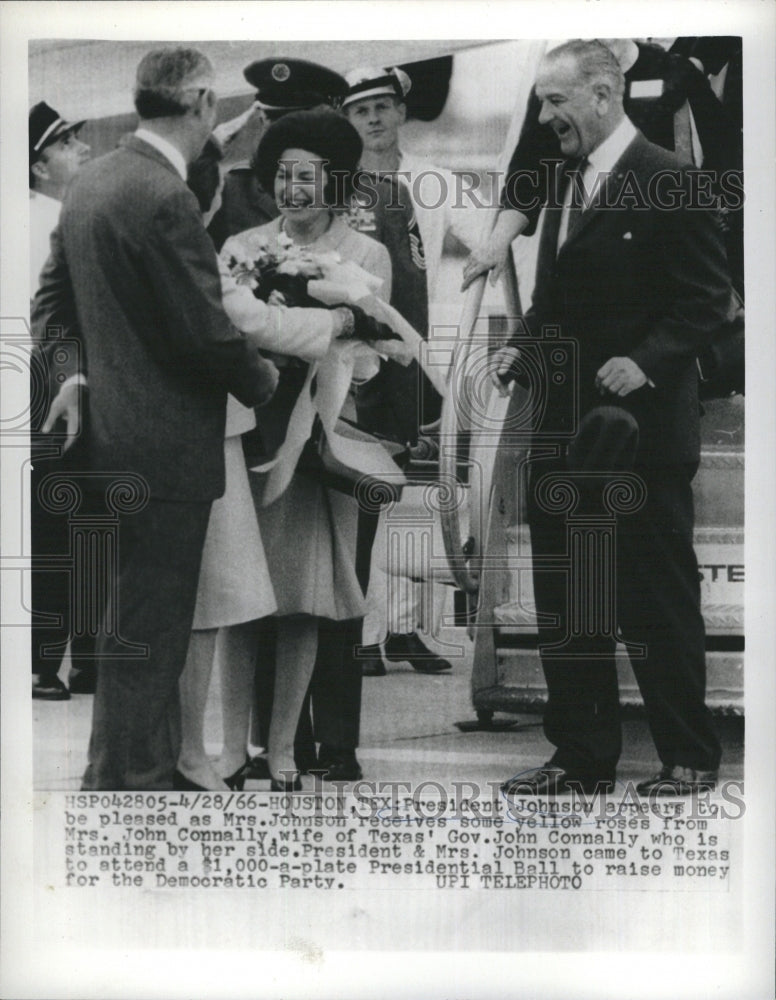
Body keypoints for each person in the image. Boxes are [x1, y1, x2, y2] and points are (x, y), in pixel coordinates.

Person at [31, 47, 278, 790]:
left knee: (125, 624)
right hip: (166, 449)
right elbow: (203, 332)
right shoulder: (163, 195)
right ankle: (134, 782)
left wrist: (74, 374)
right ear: (201, 102)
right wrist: (266, 378)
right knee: (155, 625)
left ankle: (118, 771)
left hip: (106, 441)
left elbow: (52, 303)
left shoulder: (95, 180)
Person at [493, 40, 731, 797]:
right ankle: (580, 758)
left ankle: (688, 758)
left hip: (641, 435)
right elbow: (551, 299)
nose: (544, 115)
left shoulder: (671, 179)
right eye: (540, 100)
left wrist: (648, 361)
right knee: (572, 598)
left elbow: (706, 301)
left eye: (556, 100)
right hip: (565, 431)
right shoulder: (562, 185)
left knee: (656, 599)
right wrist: (521, 350)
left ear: (603, 95)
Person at [220, 108, 393, 790]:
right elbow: (224, 337)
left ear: (337, 181)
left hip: (319, 443)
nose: (293, 191)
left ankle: (286, 750)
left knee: (305, 601)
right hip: (249, 437)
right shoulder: (240, 245)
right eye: (284, 176)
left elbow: (375, 352)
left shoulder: (365, 254)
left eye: (308, 177)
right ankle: (233, 748)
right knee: (238, 600)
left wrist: (318, 349)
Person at [342, 65, 480, 677]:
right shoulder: (336, 184)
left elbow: (495, 237)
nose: (373, 119)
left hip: (416, 353)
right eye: (360, 109)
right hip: (353, 359)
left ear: (401, 111)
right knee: (366, 491)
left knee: (408, 495)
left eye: (382, 106)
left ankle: (402, 628)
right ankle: (365, 633)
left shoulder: (432, 181)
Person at [463, 38, 743, 294]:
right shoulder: (560, 78)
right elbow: (530, 171)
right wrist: (497, 242)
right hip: (599, 247)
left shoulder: (674, 72)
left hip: (669, 246)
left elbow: (727, 159)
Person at [28, 101, 93, 700]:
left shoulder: (66, 214)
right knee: (58, 523)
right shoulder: (42, 222)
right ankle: (48, 661)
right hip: (49, 385)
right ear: (38, 165)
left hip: (74, 380)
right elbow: (45, 318)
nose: (84, 150)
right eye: (69, 143)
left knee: (83, 520)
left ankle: (83, 657)